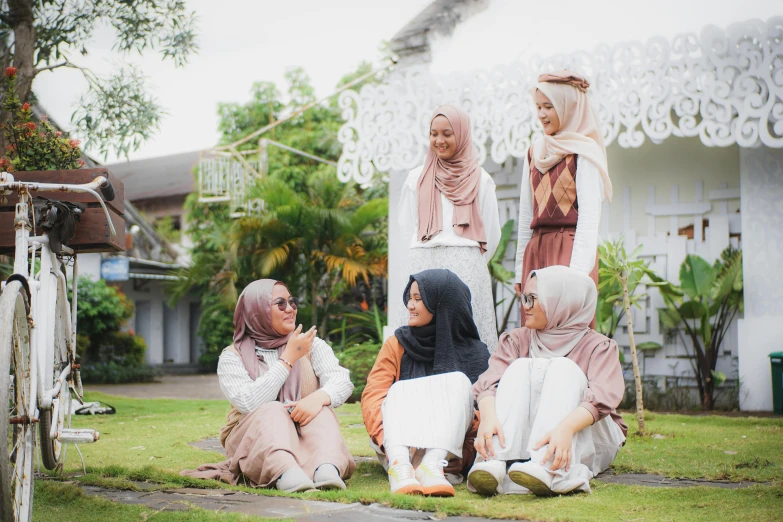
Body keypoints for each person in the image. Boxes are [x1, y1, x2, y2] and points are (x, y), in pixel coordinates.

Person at [181, 279, 356, 492]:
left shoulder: (311, 344)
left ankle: (326, 469)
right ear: (257, 311)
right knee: (272, 410)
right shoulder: (232, 357)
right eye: (280, 304)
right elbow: (249, 403)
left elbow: (342, 380)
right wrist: (288, 359)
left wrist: (316, 399)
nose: (290, 309)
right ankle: (285, 472)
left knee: (322, 410)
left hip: (306, 432)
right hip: (254, 437)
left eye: (292, 302)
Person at [467, 265, 627, 496]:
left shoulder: (598, 347)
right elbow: (488, 384)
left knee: (562, 368)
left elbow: (602, 399)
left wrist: (566, 428)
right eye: (524, 298)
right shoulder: (516, 340)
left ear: (561, 302)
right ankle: (495, 461)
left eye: (533, 299)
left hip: (587, 432)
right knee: (521, 366)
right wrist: (488, 418)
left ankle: (549, 467)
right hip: (528, 432)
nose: (525, 306)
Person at [362, 269, 490, 496]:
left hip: (448, 450)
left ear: (442, 304)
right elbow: (374, 397)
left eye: (418, 299)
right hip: (399, 443)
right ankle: (400, 468)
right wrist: (391, 447)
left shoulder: (475, 353)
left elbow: (481, 414)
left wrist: (463, 454)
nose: (410, 305)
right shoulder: (397, 344)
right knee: (399, 390)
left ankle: (431, 466)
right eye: (409, 298)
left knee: (459, 384)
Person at [398, 104, 501, 353]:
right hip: (423, 265)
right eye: (434, 133)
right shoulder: (416, 178)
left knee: (466, 340)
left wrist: (469, 260)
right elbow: (407, 227)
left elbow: (492, 234)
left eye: (447, 133)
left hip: (466, 269)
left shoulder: (481, 179)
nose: (439, 140)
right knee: (422, 339)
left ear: (462, 134)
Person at [513, 71, 613, 326]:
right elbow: (526, 214)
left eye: (549, 107)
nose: (541, 114)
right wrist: (519, 272)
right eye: (538, 107)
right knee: (535, 332)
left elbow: (590, 218)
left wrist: (576, 276)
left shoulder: (583, 153)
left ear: (567, 108)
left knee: (567, 332)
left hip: (569, 253)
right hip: (536, 251)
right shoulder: (535, 151)